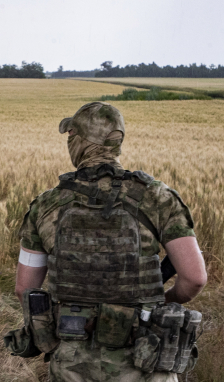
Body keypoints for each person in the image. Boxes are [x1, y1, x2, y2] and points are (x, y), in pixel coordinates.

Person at [15, 102, 207, 382]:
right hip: (145, 360)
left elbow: (25, 289)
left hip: (72, 361)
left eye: (71, 135)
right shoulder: (158, 198)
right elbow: (194, 279)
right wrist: (159, 304)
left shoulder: (47, 204)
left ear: (80, 142)